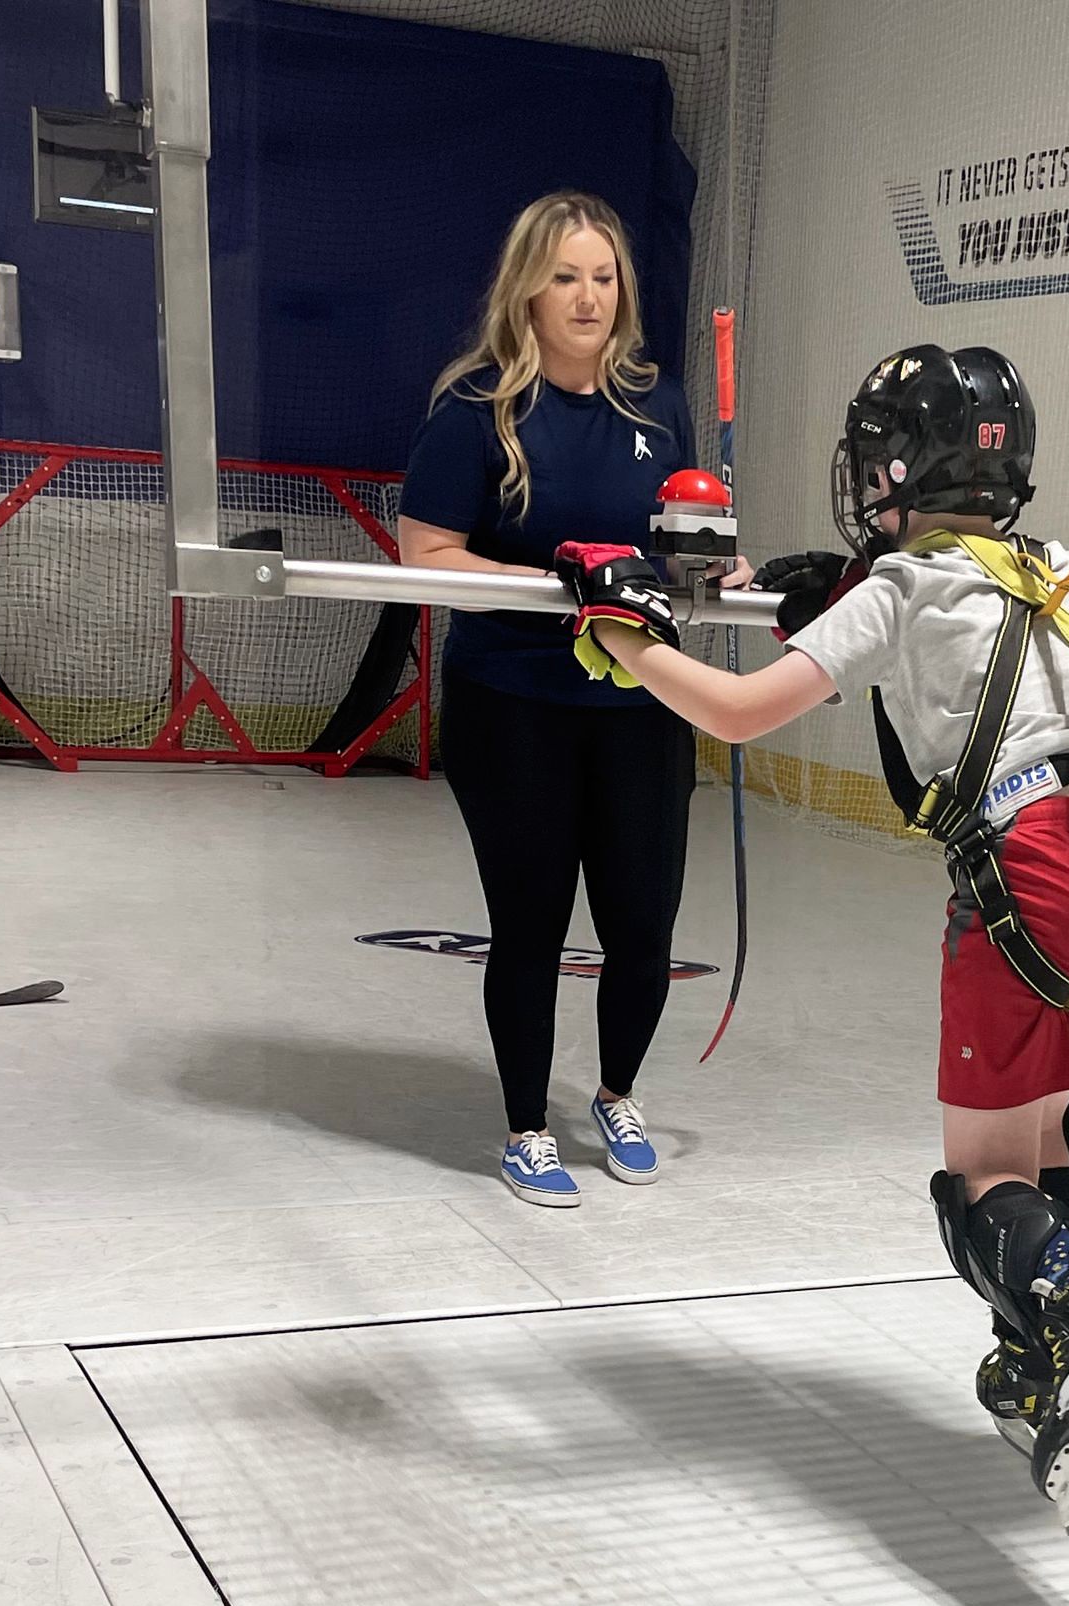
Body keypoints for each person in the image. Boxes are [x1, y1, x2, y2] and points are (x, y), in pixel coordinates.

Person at [554, 344, 1069, 1533]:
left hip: (1032, 877)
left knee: (980, 1182)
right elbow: (974, 645)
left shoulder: (899, 589)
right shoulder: (1066, 566)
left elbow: (737, 713)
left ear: (895, 469)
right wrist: (843, 588)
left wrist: (622, 627)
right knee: (1041, 1141)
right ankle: (1038, 1368)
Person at [399, 192, 745, 1206]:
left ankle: (617, 1095)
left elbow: (677, 541)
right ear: (528, 290)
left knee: (643, 924)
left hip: (642, 700)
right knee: (533, 925)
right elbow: (426, 552)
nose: (587, 297)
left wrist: (714, 568)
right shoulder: (477, 408)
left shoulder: (657, 405)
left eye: (603, 277)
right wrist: (558, 581)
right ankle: (525, 1128)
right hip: (515, 703)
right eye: (565, 277)